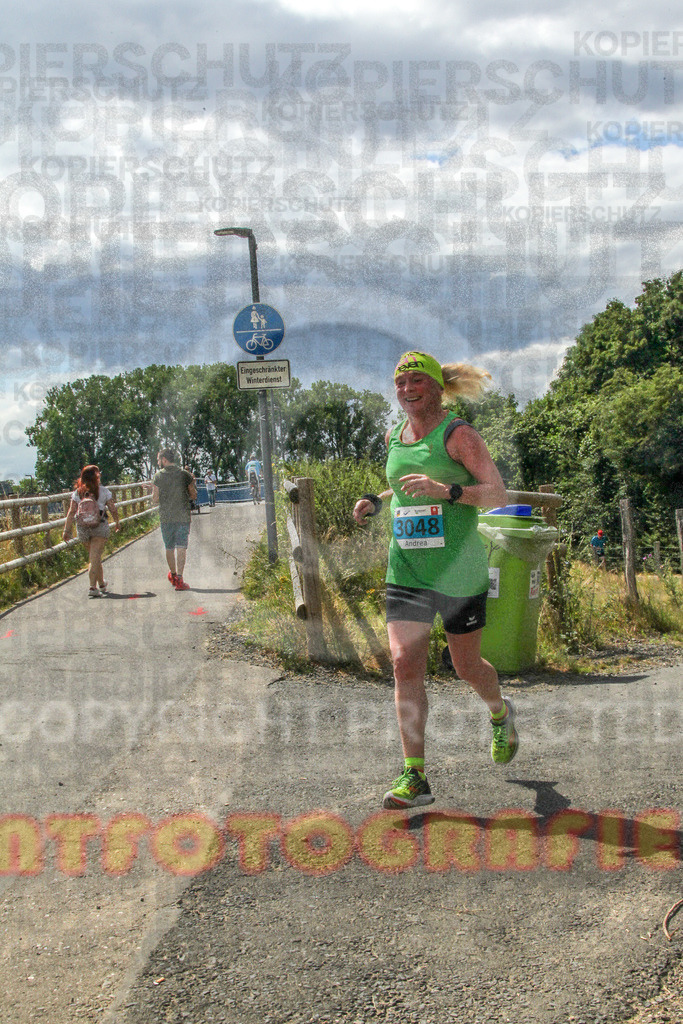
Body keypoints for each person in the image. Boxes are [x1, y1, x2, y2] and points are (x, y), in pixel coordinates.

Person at [353, 350, 518, 810]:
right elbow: (405, 485)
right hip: (406, 569)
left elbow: (497, 494)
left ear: (436, 387)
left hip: (459, 572)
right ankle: (415, 775)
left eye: (415, 382)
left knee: (466, 667)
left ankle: (500, 711)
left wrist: (450, 492)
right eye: (399, 383)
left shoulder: (459, 434)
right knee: (405, 661)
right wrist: (377, 501)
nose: (406, 391)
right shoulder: (394, 437)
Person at [62, 464, 121, 598]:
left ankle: (101, 584)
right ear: (97, 477)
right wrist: (117, 521)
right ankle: (92, 587)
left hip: (83, 528)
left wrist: (67, 530)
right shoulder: (104, 491)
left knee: (94, 556)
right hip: (99, 527)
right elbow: (112, 508)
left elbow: (71, 512)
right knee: (94, 557)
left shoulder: (78, 493)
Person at [152, 449, 197, 591]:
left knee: (169, 547)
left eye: (159, 460)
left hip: (166, 517)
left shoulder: (158, 476)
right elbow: (194, 495)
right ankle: (180, 578)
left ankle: (172, 575)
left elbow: (155, 499)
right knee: (181, 546)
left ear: (164, 459)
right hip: (183, 516)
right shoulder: (185, 474)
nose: (158, 463)